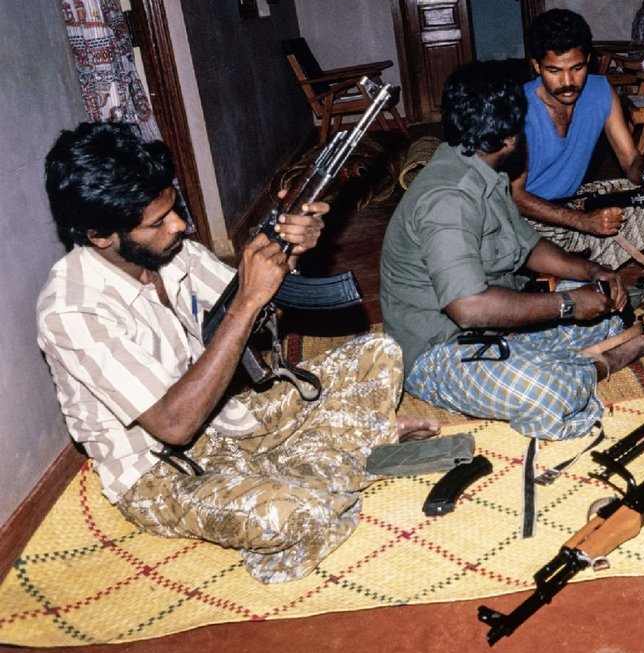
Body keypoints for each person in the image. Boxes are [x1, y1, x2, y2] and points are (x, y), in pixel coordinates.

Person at [36, 122, 437, 584]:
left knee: (380, 352)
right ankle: (347, 453)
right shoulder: (70, 309)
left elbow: (262, 311)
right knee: (294, 515)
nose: (179, 226)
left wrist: (288, 252)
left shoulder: (168, 251)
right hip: (162, 471)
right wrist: (246, 302)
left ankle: (328, 455)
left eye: (174, 209)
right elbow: (174, 424)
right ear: (101, 235)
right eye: (158, 222)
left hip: (228, 418)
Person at [380, 61, 644, 440]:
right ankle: (603, 364)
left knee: (608, 317)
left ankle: (555, 362)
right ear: (511, 135)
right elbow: (469, 308)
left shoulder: (483, 167)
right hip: (437, 351)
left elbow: (527, 246)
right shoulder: (448, 198)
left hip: (490, 332)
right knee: (547, 394)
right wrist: (568, 304)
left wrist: (591, 272)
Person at [511, 8, 644, 270]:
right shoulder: (518, 108)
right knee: (512, 241)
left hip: (570, 203)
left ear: (588, 59)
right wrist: (582, 222)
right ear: (536, 66)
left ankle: (567, 263)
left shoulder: (600, 91)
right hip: (525, 216)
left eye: (577, 68)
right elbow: (514, 196)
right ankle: (567, 264)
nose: (567, 82)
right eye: (554, 70)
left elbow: (630, 160)